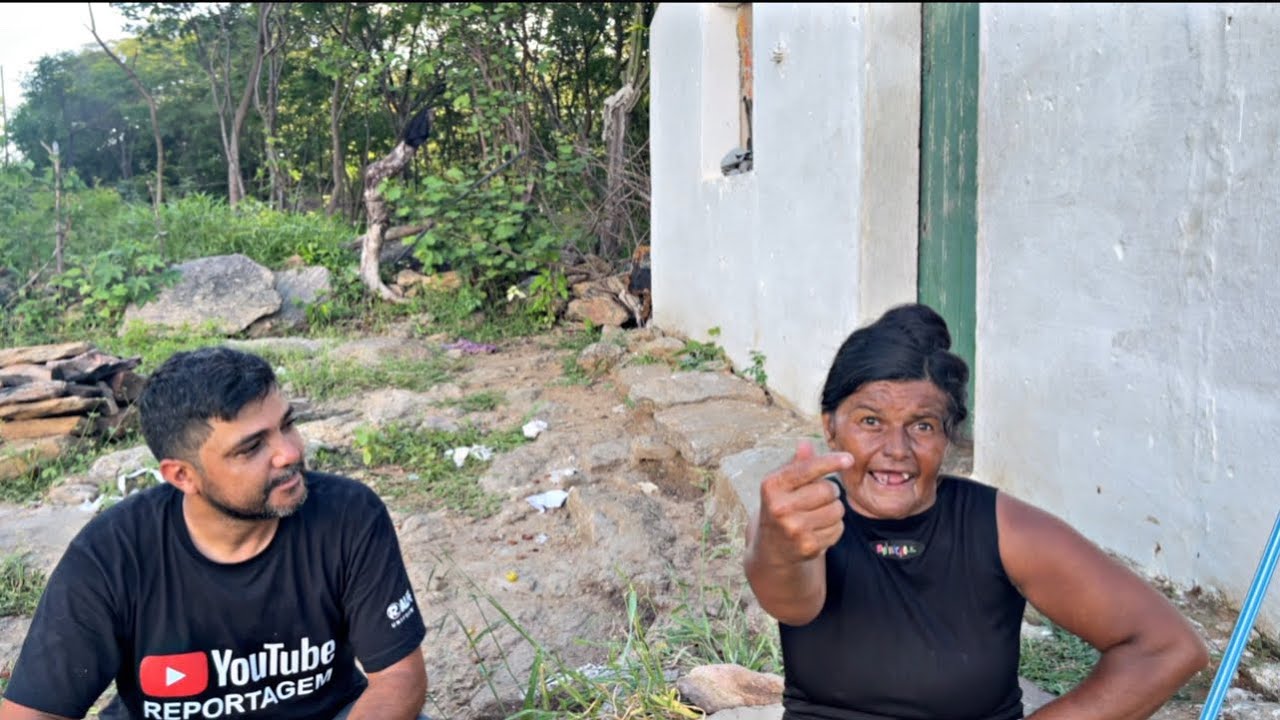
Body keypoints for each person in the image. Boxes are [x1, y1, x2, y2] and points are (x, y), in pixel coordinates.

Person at [744, 303, 1209, 719]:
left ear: (948, 437)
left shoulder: (1004, 529)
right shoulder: (801, 520)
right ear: (830, 427)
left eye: (922, 426)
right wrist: (784, 551)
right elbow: (792, 601)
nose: (896, 449)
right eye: (871, 421)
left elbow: (1166, 647)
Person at [0, 347, 429, 720]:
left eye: (287, 424)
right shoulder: (112, 554)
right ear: (183, 475)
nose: (291, 452)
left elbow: (398, 679)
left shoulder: (347, 515)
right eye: (252, 447)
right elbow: (33, 711)